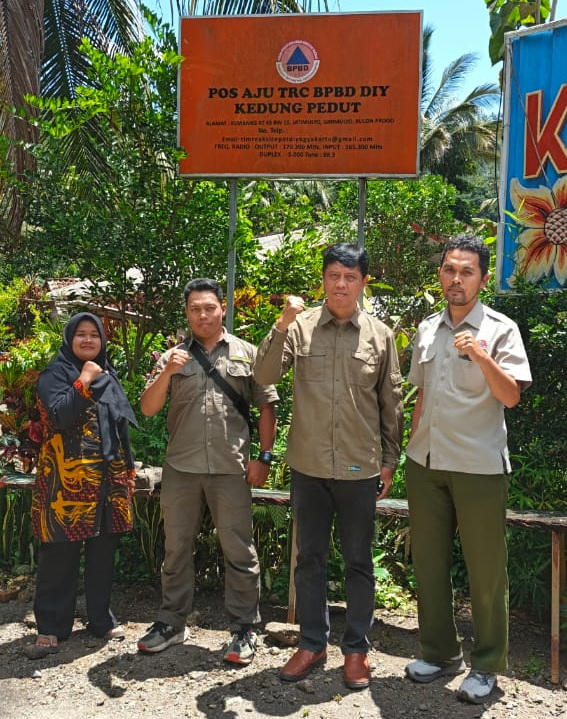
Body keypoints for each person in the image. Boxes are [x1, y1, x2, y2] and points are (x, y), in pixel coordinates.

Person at [254, 243, 404, 690]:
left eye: (350, 277)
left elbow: (391, 402)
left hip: (360, 467)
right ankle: (311, 643)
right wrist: (281, 323)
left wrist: (390, 460)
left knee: (359, 561)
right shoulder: (298, 329)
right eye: (334, 275)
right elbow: (264, 375)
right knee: (310, 559)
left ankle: (356, 650)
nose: (341, 284)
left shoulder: (380, 335)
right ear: (323, 278)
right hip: (309, 465)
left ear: (363, 282)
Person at [404, 234, 532, 704]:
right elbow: (421, 397)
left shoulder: (501, 329)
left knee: (486, 570)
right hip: (426, 463)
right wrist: (409, 448)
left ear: (482, 278)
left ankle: (487, 664)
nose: (456, 279)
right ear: (440, 274)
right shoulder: (426, 328)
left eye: (466, 271)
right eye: (449, 270)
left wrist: (480, 354)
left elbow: (511, 396)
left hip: (478, 466)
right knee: (429, 563)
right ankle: (439, 653)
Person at [136, 278, 278, 665]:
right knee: (176, 549)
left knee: (239, 549)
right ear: (187, 313)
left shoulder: (247, 353)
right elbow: (148, 409)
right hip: (181, 468)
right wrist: (167, 372)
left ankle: (244, 628)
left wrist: (264, 458)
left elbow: (267, 406)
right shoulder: (174, 357)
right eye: (195, 309)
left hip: (231, 467)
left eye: (209, 307)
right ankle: (171, 622)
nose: (203, 315)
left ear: (223, 308)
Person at [27, 312, 138, 658]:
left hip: (107, 479)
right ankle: (51, 626)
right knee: (59, 553)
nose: (88, 340)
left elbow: (119, 427)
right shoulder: (55, 374)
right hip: (65, 481)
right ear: (69, 339)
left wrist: (129, 469)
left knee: (103, 551)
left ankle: (100, 619)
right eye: (81, 334)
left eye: (94, 335)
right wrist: (84, 380)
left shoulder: (109, 376)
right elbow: (59, 416)